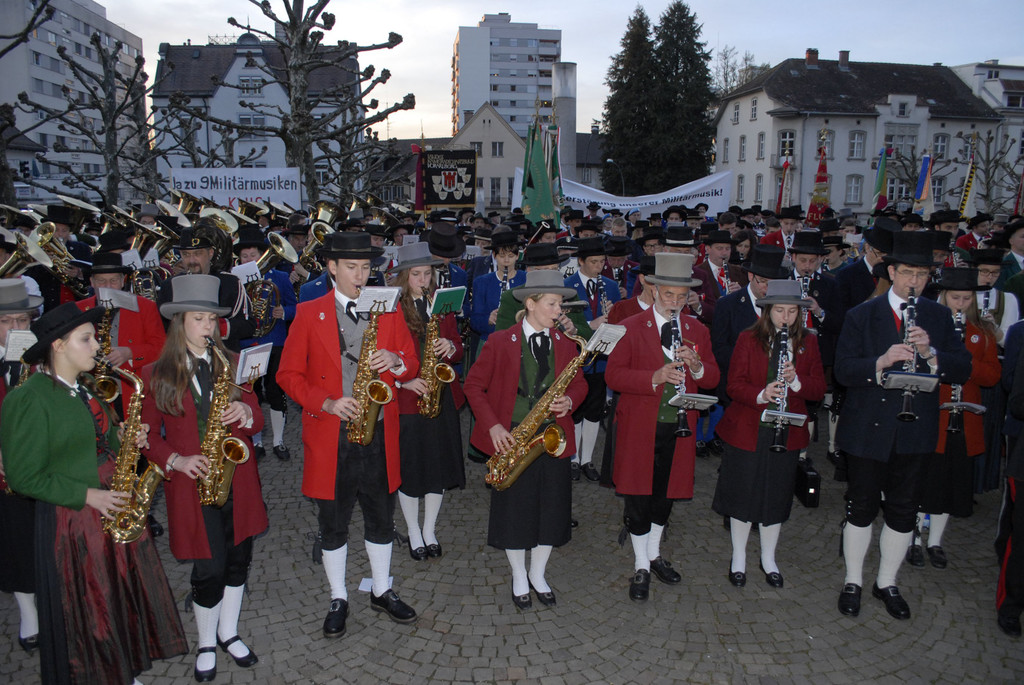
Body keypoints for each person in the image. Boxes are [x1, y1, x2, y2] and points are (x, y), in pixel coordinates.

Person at [1, 302, 187, 684]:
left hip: (108, 509)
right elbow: (23, 477)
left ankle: (122, 669)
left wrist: (125, 440)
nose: (96, 346)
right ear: (57, 346)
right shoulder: (29, 398)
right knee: (89, 607)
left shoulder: (84, 389)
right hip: (71, 522)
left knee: (116, 597)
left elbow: (99, 444)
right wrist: (88, 496)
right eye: (86, 339)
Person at [277, 231, 420, 639]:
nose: (361, 275)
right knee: (333, 521)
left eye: (366, 268)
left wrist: (395, 360)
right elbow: (287, 375)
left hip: (378, 430)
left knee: (381, 515)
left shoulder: (388, 311)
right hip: (331, 431)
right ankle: (338, 596)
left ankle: (382, 588)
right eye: (352, 268)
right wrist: (326, 402)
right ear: (332, 268)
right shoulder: (309, 312)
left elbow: (410, 364)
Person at [834, 230, 972, 620]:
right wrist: (878, 363)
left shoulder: (940, 316)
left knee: (903, 510)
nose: (915, 281)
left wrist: (931, 353)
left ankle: (886, 582)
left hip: (915, 431)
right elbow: (843, 370)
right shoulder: (862, 314)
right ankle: (853, 580)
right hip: (867, 429)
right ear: (891, 271)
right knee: (860, 507)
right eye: (908, 272)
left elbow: (962, 368)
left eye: (923, 274)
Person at [140, 274, 268, 682]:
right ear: (180, 323)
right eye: (199, 319)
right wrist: (175, 459)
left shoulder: (231, 362)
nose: (208, 327)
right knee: (208, 569)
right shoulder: (156, 372)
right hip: (192, 484)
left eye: (212, 320)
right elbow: (143, 437)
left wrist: (247, 415)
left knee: (238, 560)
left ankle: (229, 632)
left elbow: (257, 414)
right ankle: (207, 640)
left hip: (239, 478)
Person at [464, 270, 587, 609]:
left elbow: (579, 384)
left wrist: (571, 401)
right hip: (513, 434)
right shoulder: (500, 341)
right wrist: (493, 427)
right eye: (552, 304)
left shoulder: (566, 344)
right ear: (531, 304)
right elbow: (473, 386)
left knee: (552, 507)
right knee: (515, 510)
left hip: (552, 435)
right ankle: (519, 574)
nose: (559, 311)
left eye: (560, 304)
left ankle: (538, 573)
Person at [606, 253, 720, 602]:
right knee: (639, 497)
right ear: (653, 290)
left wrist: (697, 365)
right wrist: (654, 377)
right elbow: (613, 375)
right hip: (641, 425)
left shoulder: (697, 329)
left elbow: (714, 378)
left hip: (680, 426)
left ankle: (654, 554)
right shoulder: (630, 326)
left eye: (681, 297)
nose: (674, 302)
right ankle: (641, 563)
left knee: (665, 496)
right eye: (668, 295)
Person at [712, 280, 825, 588]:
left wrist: (796, 381)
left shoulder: (809, 342)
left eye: (791, 311)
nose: (785, 318)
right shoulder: (748, 339)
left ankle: (768, 558)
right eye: (779, 311)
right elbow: (733, 385)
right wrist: (762, 394)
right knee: (742, 495)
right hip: (748, 428)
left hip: (786, 431)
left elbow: (818, 389)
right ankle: (739, 557)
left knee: (776, 496)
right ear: (767, 311)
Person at [906, 268, 1000, 569]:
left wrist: (964, 363)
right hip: (933, 413)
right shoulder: (929, 325)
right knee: (926, 480)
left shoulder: (982, 332)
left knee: (950, 483)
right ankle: (913, 537)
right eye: (955, 297)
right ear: (944, 297)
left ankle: (935, 541)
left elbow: (992, 376)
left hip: (964, 417)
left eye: (966, 298)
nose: (960, 303)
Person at [389, 242, 466, 560]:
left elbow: (459, 349)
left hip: (439, 395)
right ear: (404, 277)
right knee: (410, 469)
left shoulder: (442, 304)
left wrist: (450, 344)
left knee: (437, 467)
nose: (423, 279)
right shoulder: (391, 307)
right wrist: (404, 379)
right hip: (407, 398)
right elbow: (381, 355)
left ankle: (430, 529)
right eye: (416, 274)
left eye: (427, 273)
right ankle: (412, 531)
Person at [0, 281, 43, 652]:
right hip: (3, 473)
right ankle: (28, 611)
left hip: (44, 465)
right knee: (13, 543)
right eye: (7, 320)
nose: (16, 327)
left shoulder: (41, 355)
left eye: (22, 319)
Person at [235, 227, 298, 461]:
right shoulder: (235, 280)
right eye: (244, 256)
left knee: (275, 391)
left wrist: (285, 312)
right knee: (251, 393)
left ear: (262, 256)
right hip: (248, 343)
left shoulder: (279, 278)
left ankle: (279, 441)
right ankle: (257, 440)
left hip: (275, 342)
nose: (249, 260)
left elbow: (295, 308)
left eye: (253, 255)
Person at [564, 237, 620, 481]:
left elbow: (617, 317)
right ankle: (573, 459)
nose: (599, 267)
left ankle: (587, 459)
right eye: (594, 262)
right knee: (575, 410)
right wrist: (591, 324)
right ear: (581, 261)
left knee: (595, 411)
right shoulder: (567, 285)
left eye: (601, 262)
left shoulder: (610, 285)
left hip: (601, 359)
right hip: (576, 357)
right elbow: (566, 325)